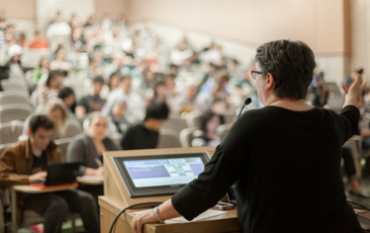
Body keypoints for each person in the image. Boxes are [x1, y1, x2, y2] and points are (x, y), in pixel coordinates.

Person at [131, 40, 366, 233]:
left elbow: (206, 189)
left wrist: (154, 213)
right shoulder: (330, 122)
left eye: (257, 75)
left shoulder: (253, 124)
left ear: (269, 80)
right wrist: (353, 97)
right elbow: (350, 118)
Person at [0, 115, 99, 233]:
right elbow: (2, 176)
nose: (46, 141)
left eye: (49, 137)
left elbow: (57, 174)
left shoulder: (52, 149)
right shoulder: (14, 152)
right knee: (58, 205)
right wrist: (29, 178)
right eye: (41, 137)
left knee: (87, 199)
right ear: (30, 132)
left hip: (52, 190)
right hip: (27, 195)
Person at [67, 113, 121, 205]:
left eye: (104, 126)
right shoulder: (79, 143)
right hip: (85, 186)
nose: (101, 129)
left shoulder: (109, 142)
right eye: (97, 125)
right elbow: (73, 168)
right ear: (88, 126)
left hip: (107, 184)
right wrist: (95, 173)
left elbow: (121, 160)